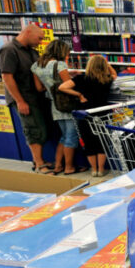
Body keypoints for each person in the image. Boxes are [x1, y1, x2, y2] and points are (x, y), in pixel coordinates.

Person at [0, 24, 54, 174]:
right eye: (39, 38)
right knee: (33, 129)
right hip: (24, 98)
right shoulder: (9, 50)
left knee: (42, 129)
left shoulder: (32, 51)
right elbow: (7, 77)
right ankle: (39, 164)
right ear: (28, 32)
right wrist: (20, 101)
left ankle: (39, 161)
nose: (41, 41)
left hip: (36, 97)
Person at [31, 40, 88, 175]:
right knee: (71, 136)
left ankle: (58, 166)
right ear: (61, 51)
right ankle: (69, 167)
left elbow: (39, 88)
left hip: (54, 105)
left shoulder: (36, 65)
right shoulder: (60, 64)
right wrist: (75, 79)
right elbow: (68, 85)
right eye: (67, 53)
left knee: (64, 136)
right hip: (67, 104)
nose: (67, 55)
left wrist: (51, 84)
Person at [59, 55, 117, 177]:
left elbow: (62, 87)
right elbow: (115, 74)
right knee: (102, 141)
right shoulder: (107, 79)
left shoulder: (81, 78)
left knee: (88, 142)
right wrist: (107, 64)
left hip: (85, 114)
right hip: (103, 113)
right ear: (104, 66)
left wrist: (79, 95)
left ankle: (94, 170)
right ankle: (101, 169)